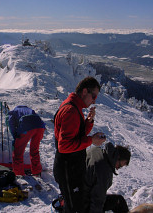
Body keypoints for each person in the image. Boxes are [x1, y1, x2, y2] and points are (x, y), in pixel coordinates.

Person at [53, 76, 106, 213]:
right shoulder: (71, 110)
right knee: (73, 208)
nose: (94, 100)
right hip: (68, 169)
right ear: (84, 91)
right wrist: (91, 141)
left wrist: (88, 121)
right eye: (93, 96)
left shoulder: (74, 106)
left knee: (74, 202)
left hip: (71, 168)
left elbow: (77, 135)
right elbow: (64, 146)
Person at [84, 143, 131, 213]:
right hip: (84, 202)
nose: (117, 168)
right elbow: (97, 199)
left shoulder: (96, 150)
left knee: (118, 200)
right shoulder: (104, 170)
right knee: (118, 203)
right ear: (118, 157)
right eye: (120, 165)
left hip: (76, 193)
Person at [11, 110, 46, 174]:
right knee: (34, 149)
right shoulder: (30, 110)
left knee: (18, 151)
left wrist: (15, 137)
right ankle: (37, 171)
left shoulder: (13, 112)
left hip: (27, 126)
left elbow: (11, 124)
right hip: (40, 127)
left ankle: (19, 174)